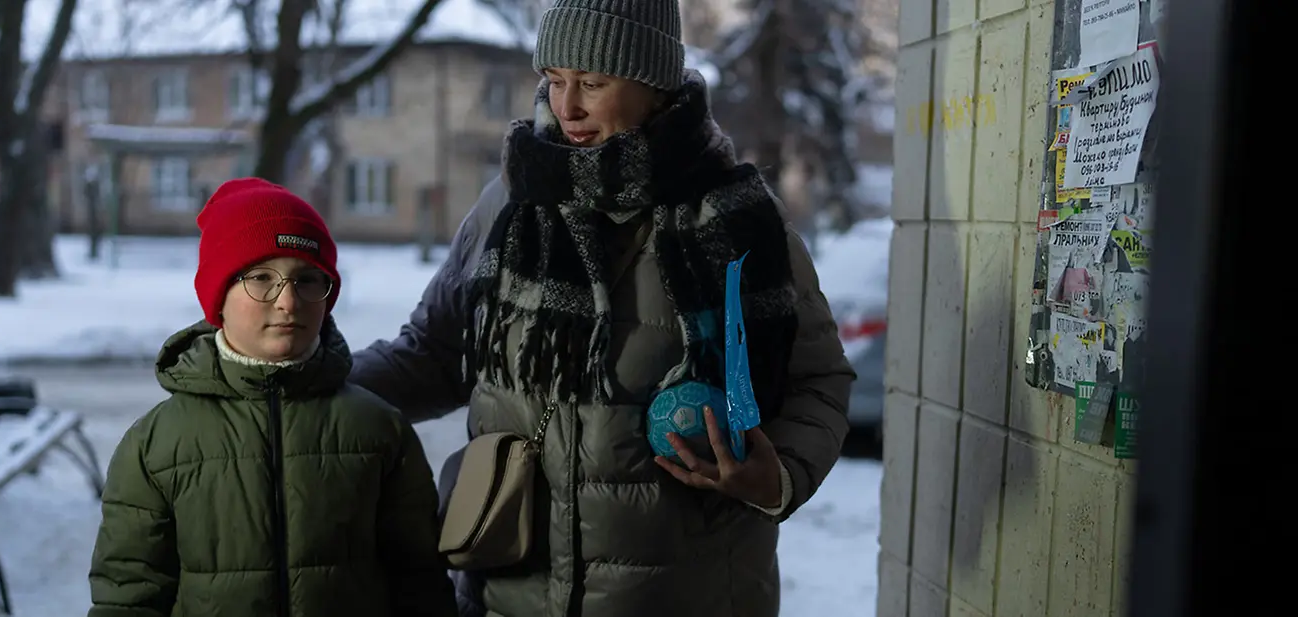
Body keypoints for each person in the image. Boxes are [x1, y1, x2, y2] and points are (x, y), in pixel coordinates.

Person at [349, 0, 856, 614]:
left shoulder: (737, 218)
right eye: (555, 81)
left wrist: (776, 477)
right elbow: (433, 353)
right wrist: (307, 379)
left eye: (593, 83)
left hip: (689, 595)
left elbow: (818, 378)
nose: (568, 108)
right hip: (513, 595)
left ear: (654, 83)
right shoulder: (510, 205)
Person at [87, 179, 457, 617]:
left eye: (307, 280)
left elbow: (419, 586)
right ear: (218, 297)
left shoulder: (379, 430)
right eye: (261, 278)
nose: (287, 301)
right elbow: (128, 597)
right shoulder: (156, 445)